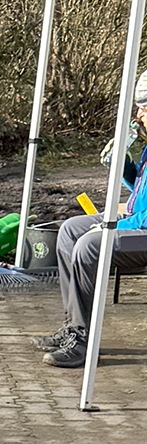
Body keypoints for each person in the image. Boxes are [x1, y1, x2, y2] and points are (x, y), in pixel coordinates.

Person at [40, 73, 147, 369]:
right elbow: (140, 191)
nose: (139, 114)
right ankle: (73, 327)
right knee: (70, 230)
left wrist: (113, 226)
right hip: (137, 220)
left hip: (143, 229)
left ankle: (83, 343)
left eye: (144, 108)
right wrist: (122, 164)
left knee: (89, 245)